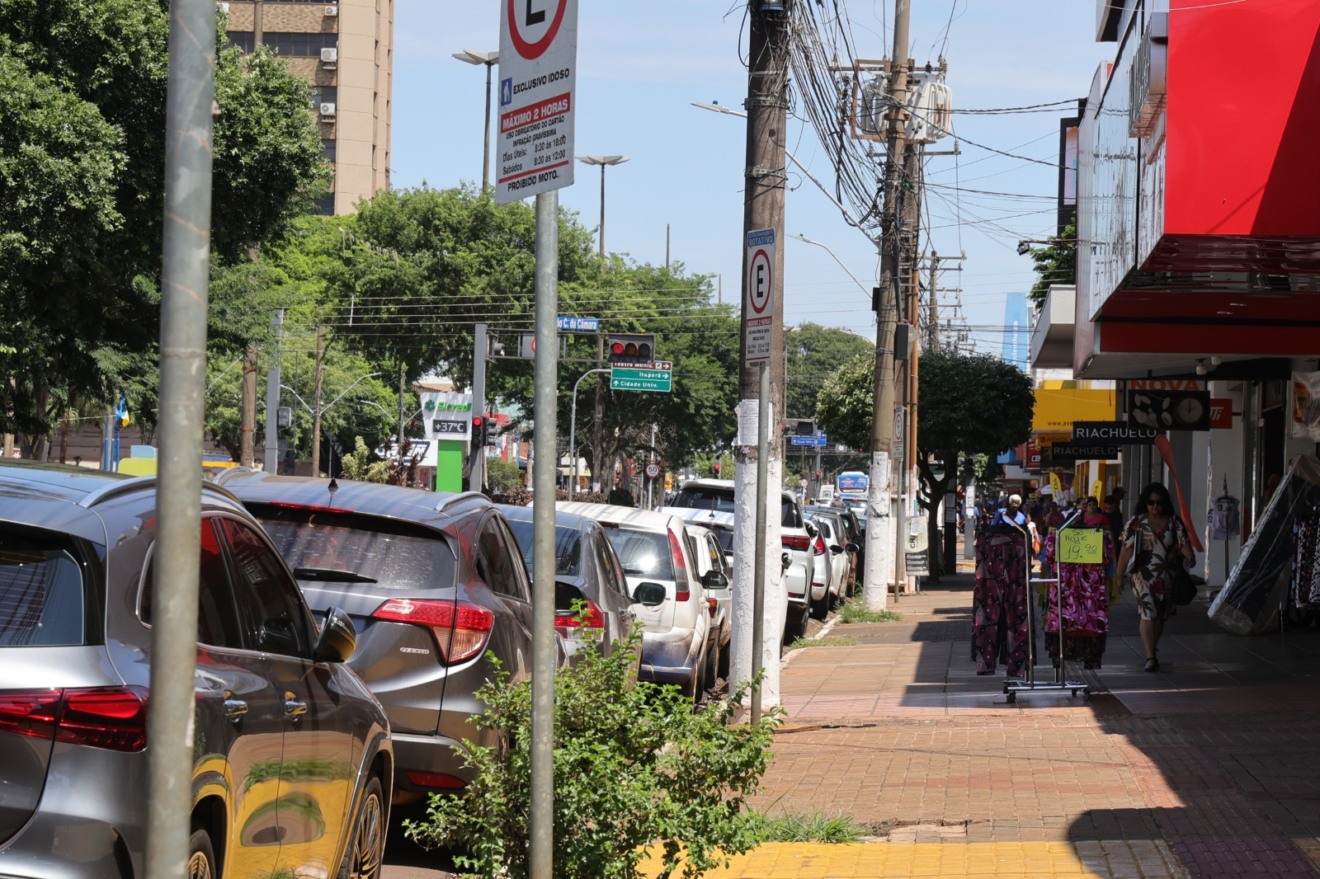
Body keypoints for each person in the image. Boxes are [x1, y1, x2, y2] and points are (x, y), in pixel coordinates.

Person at [1115, 482, 1195, 672]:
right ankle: (1150, 656)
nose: (1155, 506)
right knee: (1148, 612)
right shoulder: (1135, 523)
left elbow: (1183, 542)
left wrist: (1189, 556)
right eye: (1151, 503)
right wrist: (1118, 576)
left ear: (1165, 503)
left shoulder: (1174, 522)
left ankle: (1152, 647)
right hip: (1142, 574)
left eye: (1159, 502)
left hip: (1167, 575)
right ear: (1145, 503)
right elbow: (1126, 551)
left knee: (1160, 615)